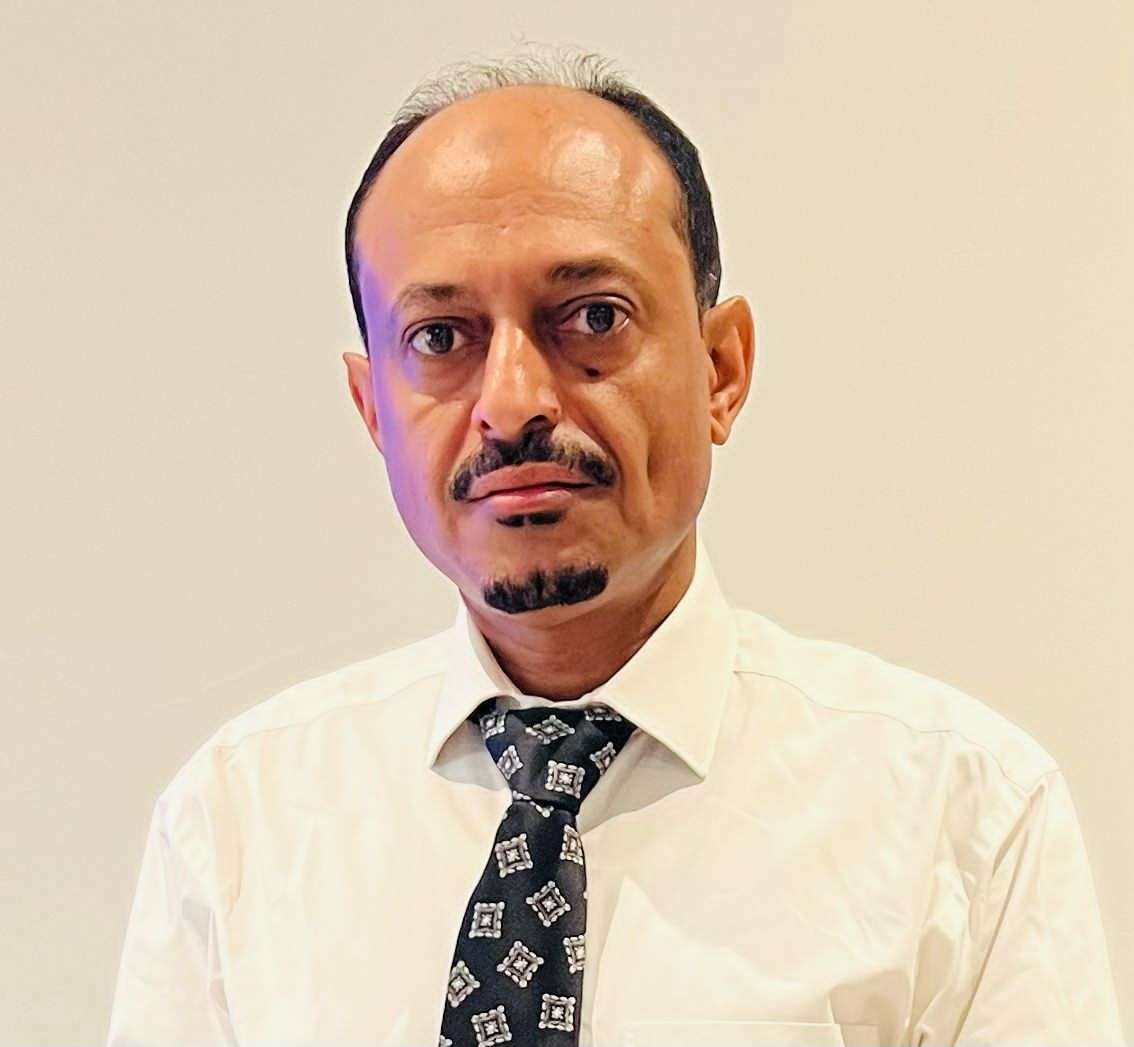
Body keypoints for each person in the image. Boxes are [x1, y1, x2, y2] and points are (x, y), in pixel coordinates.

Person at [106, 47, 1127, 1047]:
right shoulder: (238, 823)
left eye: (593, 317)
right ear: (374, 409)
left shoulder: (961, 818)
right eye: (441, 338)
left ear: (721, 368)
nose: (512, 403)